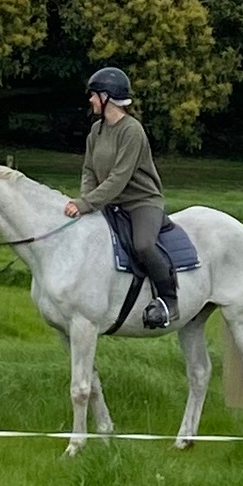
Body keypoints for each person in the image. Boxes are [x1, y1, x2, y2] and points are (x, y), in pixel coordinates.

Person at [66, 65, 176, 323]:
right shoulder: (96, 131)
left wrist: (85, 204)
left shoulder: (132, 131)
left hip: (141, 203)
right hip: (109, 203)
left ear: (107, 97)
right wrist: (87, 199)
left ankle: (169, 301)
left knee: (143, 244)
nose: (91, 100)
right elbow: (89, 170)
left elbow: (118, 178)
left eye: (94, 95)